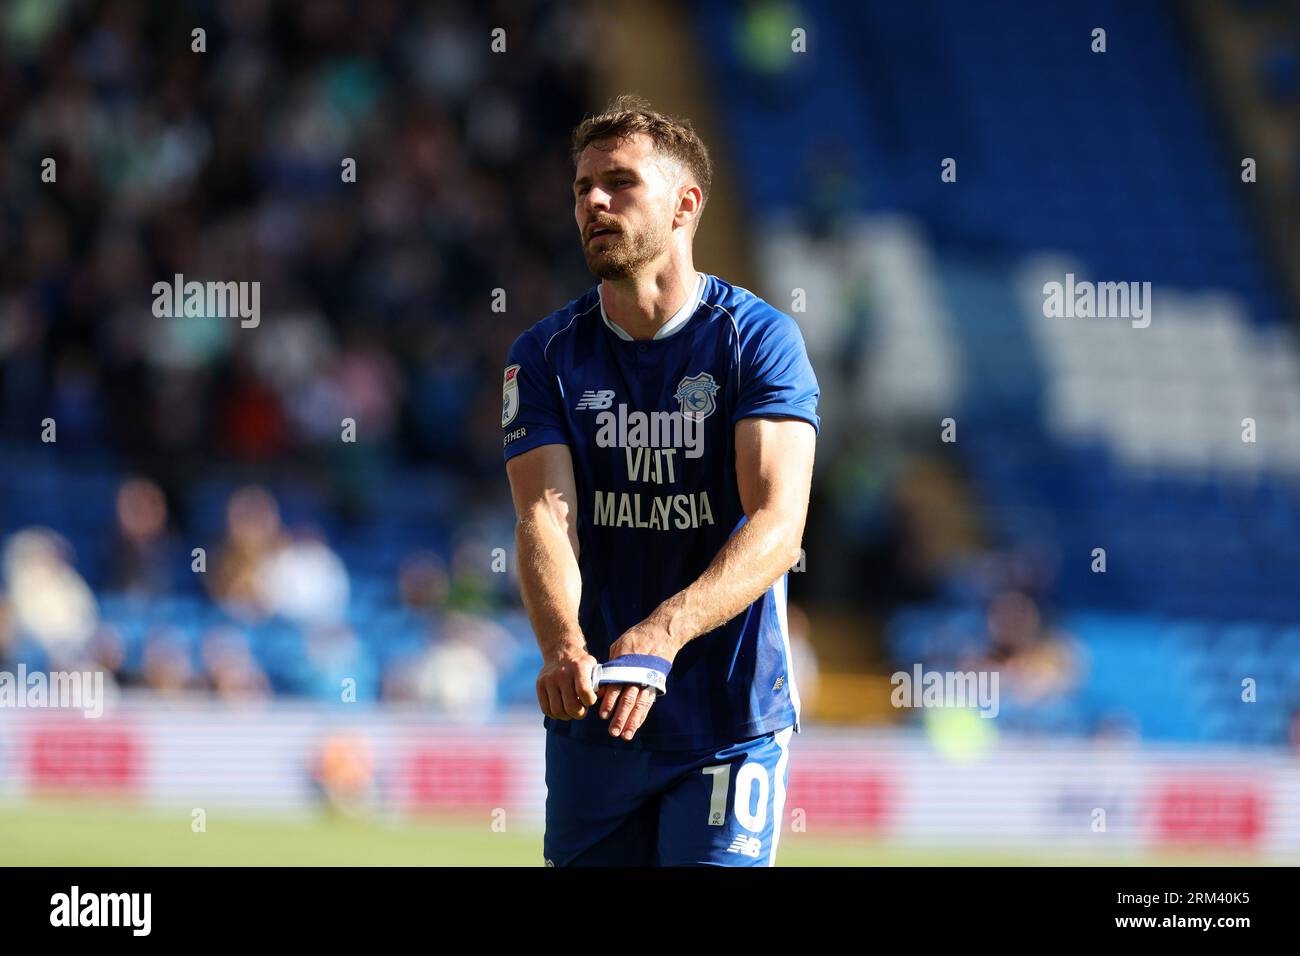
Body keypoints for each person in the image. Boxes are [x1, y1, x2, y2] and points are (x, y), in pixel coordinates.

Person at [502, 95, 819, 866]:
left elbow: (777, 526)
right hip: (599, 715)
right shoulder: (545, 355)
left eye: (619, 182)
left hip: (728, 717)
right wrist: (564, 645)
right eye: (582, 188)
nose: (594, 203)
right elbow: (545, 518)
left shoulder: (759, 342)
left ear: (685, 206)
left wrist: (662, 633)